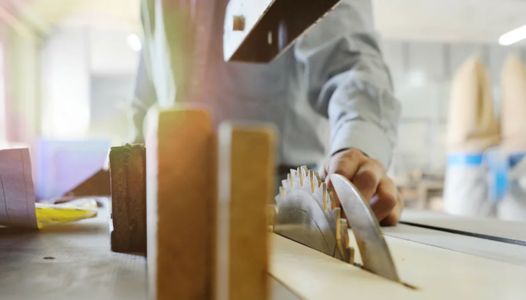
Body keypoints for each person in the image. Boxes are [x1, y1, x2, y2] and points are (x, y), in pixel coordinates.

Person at [132, 0, 402, 225]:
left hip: (281, 208)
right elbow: (147, 98)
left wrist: (358, 147)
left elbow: (352, 63)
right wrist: (130, 171)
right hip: (171, 202)